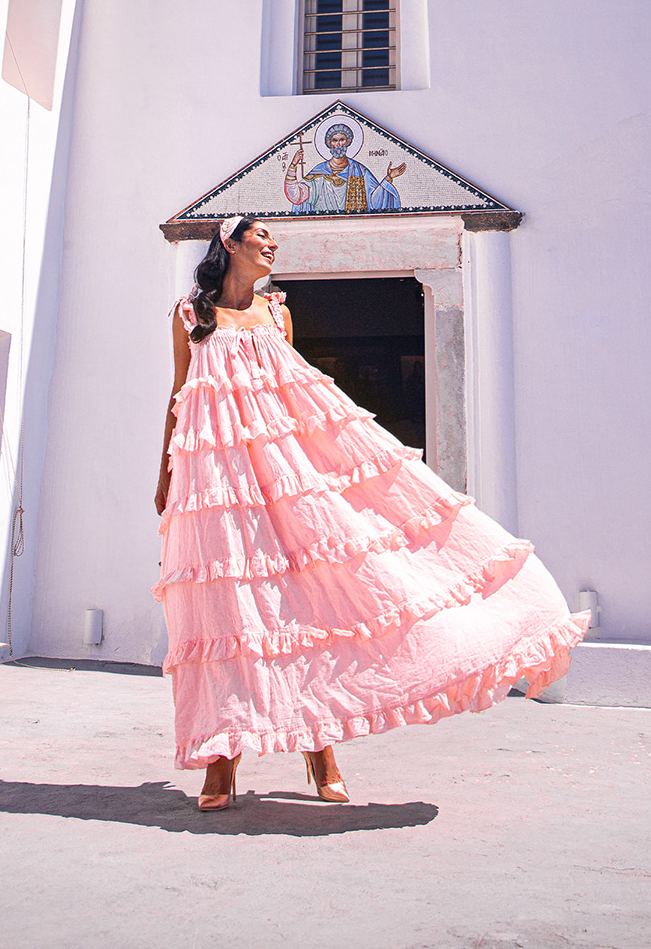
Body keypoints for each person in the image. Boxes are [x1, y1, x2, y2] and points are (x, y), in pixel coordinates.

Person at [153, 213, 588, 812]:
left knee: (313, 603)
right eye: (261, 238)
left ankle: (321, 752)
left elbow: (300, 394)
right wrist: (165, 470)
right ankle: (220, 763)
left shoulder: (277, 312)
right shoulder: (191, 316)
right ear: (229, 243)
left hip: (286, 477)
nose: (272, 246)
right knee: (228, 610)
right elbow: (180, 396)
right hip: (216, 482)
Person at [285, 120, 405, 214]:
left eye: (341, 140)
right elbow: (296, 196)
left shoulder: (360, 171)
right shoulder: (319, 173)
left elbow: (375, 201)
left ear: (348, 142)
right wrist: (293, 166)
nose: (338, 144)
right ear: (329, 143)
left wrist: (389, 178)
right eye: (334, 140)